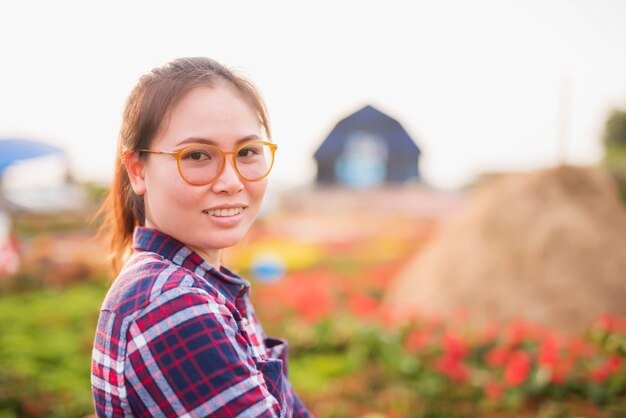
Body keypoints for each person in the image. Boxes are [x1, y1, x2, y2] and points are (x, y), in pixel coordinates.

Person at [91, 57, 312, 417]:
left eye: (247, 152)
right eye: (196, 155)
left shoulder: (205, 286)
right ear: (138, 170)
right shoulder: (171, 303)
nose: (231, 182)